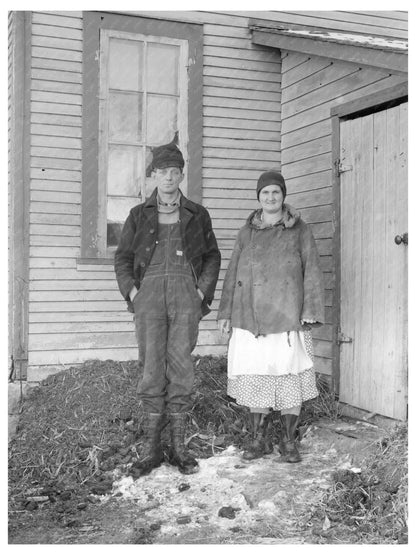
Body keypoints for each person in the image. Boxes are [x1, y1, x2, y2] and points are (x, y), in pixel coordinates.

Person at [114, 142, 221, 477]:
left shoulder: (197, 214)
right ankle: (151, 450)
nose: (169, 178)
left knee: (181, 367)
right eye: (163, 172)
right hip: (149, 299)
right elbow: (123, 258)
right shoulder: (138, 215)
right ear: (154, 175)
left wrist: (200, 290)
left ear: (181, 175)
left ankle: (177, 447)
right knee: (151, 368)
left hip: (184, 297)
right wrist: (134, 291)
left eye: (175, 171)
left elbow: (213, 256)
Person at [217, 170, 324, 463]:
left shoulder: (300, 230)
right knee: (257, 378)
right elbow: (232, 275)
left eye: (275, 192)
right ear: (259, 197)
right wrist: (225, 312)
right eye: (265, 193)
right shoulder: (247, 232)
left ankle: (289, 442)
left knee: (289, 378)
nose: (271, 197)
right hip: (251, 319)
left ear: (283, 195)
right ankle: (258, 440)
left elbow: (312, 271)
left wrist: (310, 311)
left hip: (288, 317)